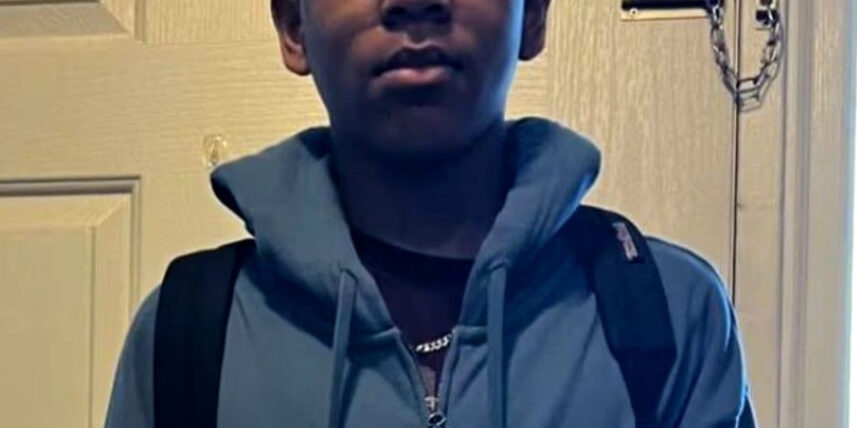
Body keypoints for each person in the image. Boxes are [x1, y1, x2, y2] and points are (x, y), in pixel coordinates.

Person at [105, 0, 755, 426]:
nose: (413, 1)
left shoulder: (669, 313)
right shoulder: (189, 333)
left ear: (533, 17)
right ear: (293, 25)